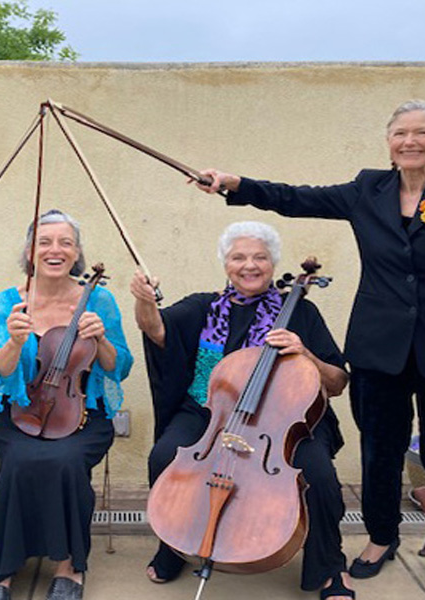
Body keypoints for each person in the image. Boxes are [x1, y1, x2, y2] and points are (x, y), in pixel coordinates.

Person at [194, 99, 425, 600]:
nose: (410, 142)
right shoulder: (368, 188)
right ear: (388, 142)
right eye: (400, 134)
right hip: (377, 346)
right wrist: (235, 184)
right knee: (380, 451)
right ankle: (382, 537)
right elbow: (296, 197)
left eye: (421, 133)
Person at [131, 221, 354, 600]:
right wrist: (144, 301)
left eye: (259, 257)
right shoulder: (203, 306)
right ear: (226, 264)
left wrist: (306, 354)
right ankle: (174, 546)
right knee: (165, 456)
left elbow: (336, 382)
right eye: (239, 257)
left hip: (285, 420)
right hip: (211, 412)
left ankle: (330, 567)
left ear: (272, 264)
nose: (249, 265)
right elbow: (157, 331)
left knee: (320, 477)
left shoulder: (300, 311)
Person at [0, 210, 133, 600]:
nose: (54, 250)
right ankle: (2, 571)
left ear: (77, 253)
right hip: (20, 410)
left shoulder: (98, 300)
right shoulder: (2, 306)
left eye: (65, 242)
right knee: (17, 463)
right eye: (45, 241)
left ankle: (69, 568)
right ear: (30, 251)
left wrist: (103, 342)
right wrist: (14, 341)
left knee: (64, 462)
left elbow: (121, 367)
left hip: (83, 413)